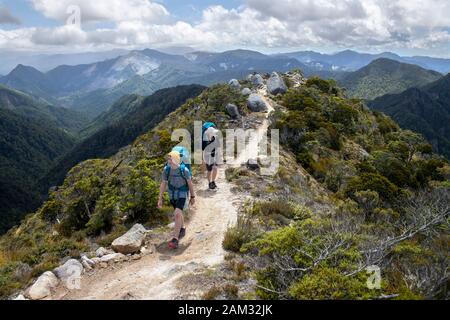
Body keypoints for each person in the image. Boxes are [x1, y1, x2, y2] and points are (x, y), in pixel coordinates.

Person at [157, 151, 195, 249]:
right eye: (168, 159)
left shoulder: (184, 170)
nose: (169, 161)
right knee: (178, 213)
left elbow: (190, 183)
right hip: (172, 195)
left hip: (182, 194)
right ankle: (182, 228)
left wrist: (192, 196)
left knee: (177, 213)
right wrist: (160, 198)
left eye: (171, 159)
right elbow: (163, 184)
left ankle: (175, 239)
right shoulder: (166, 170)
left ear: (176, 159)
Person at [202, 125, 220, 190]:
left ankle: (213, 181)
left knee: (215, 168)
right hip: (207, 157)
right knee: (209, 170)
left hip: (215, 155)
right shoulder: (204, 139)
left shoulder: (216, 137)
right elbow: (203, 149)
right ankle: (209, 183)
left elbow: (218, 147)